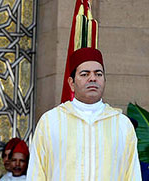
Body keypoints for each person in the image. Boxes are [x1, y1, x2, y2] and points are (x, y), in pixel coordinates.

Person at [26, 48, 141, 180]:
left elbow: (133, 174)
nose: (93, 78)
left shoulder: (122, 124)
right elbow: (36, 173)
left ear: (104, 80)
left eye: (98, 74)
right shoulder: (50, 122)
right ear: (71, 83)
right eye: (85, 74)